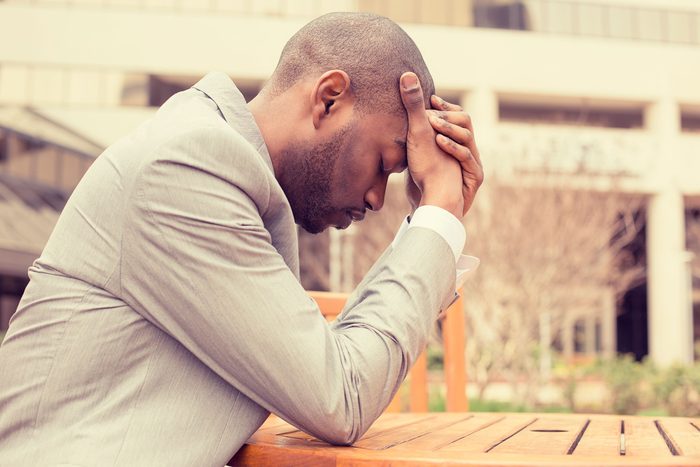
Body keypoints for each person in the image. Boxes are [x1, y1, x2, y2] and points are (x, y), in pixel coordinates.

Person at [0, 12, 483, 466]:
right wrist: (439, 216)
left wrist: (430, 220)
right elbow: (343, 395)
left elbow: (322, 366)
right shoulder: (186, 167)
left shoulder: (222, 173)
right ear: (329, 98)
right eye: (384, 164)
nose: (379, 198)